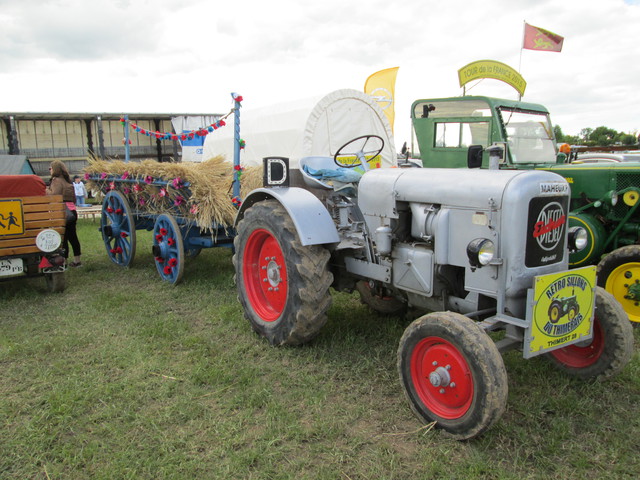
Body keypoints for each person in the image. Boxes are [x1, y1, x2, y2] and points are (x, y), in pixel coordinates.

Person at [46, 161, 82, 267]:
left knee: (63, 238)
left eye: (50, 168)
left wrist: (46, 190)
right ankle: (77, 260)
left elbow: (55, 195)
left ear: (55, 169)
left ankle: (64, 261)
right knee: (73, 237)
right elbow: (74, 199)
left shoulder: (56, 181)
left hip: (61, 211)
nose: (50, 170)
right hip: (72, 211)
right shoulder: (68, 181)